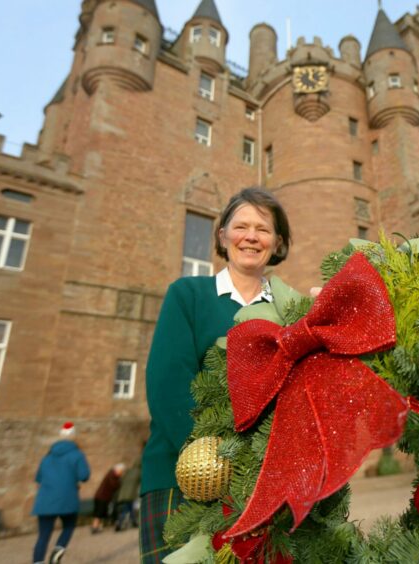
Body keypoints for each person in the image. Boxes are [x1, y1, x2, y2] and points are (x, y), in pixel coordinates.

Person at [139, 187, 292, 563]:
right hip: (183, 477)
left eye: (263, 228)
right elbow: (167, 384)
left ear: (278, 242)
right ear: (223, 235)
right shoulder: (188, 294)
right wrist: (213, 463)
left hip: (267, 486)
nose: (251, 237)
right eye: (240, 226)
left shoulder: (293, 311)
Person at [31, 421, 90, 564]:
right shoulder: (77, 454)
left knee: (43, 535)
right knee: (69, 526)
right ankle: (58, 550)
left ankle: (37, 562)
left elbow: (38, 478)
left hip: (45, 500)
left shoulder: (47, 456)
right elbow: (84, 475)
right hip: (67, 498)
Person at [91, 463, 124, 533]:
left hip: (102, 496)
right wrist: (119, 483)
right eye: (121, 472)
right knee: (99, 513)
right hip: (102, 496)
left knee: (100, 513)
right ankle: (94, 527)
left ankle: (96, 526)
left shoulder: (111, 474)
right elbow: (114, 485)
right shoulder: (112, 475)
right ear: (118, 470)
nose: (121, 474)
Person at [114, 459, 141, 531]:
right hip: (130, 494)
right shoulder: (139, 472)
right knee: (126, 510)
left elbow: (121, 480)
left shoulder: (128, 471)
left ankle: (134, 522)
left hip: (122, 493)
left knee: (129, 508)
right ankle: (119, 524)